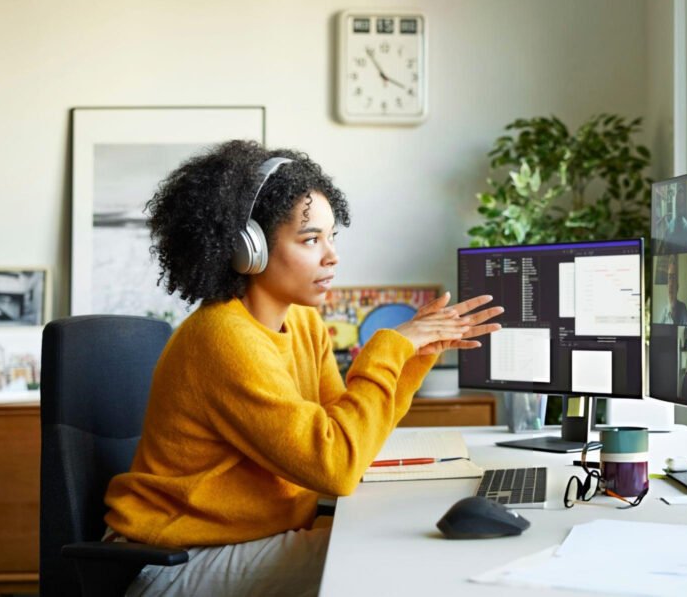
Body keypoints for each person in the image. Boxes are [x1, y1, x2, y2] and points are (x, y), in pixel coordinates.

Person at [102, 140, 502, 596]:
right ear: (246, 248)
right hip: (171, 561)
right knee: (388, 556)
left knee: (396, 541)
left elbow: (350, 436)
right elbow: (336, 467)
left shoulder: (303, 321)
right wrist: (389, 347)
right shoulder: (222, 338)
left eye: (333, 237)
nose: (332, 256)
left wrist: (414, 357)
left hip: (243, 540)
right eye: (311, 239)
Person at [655, 183, 687, 254]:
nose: (679, 207)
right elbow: (665, 245)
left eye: (681, 204)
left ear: (684, 205)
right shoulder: (671, 224)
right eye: (678, 203)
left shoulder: (686, 227)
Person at [657, 256, 687, 325]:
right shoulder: (663, 312)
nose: (671, 284)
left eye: (674, 278)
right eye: (669, 278)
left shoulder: (683, 308)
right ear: (666, 286)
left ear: (677, 287)